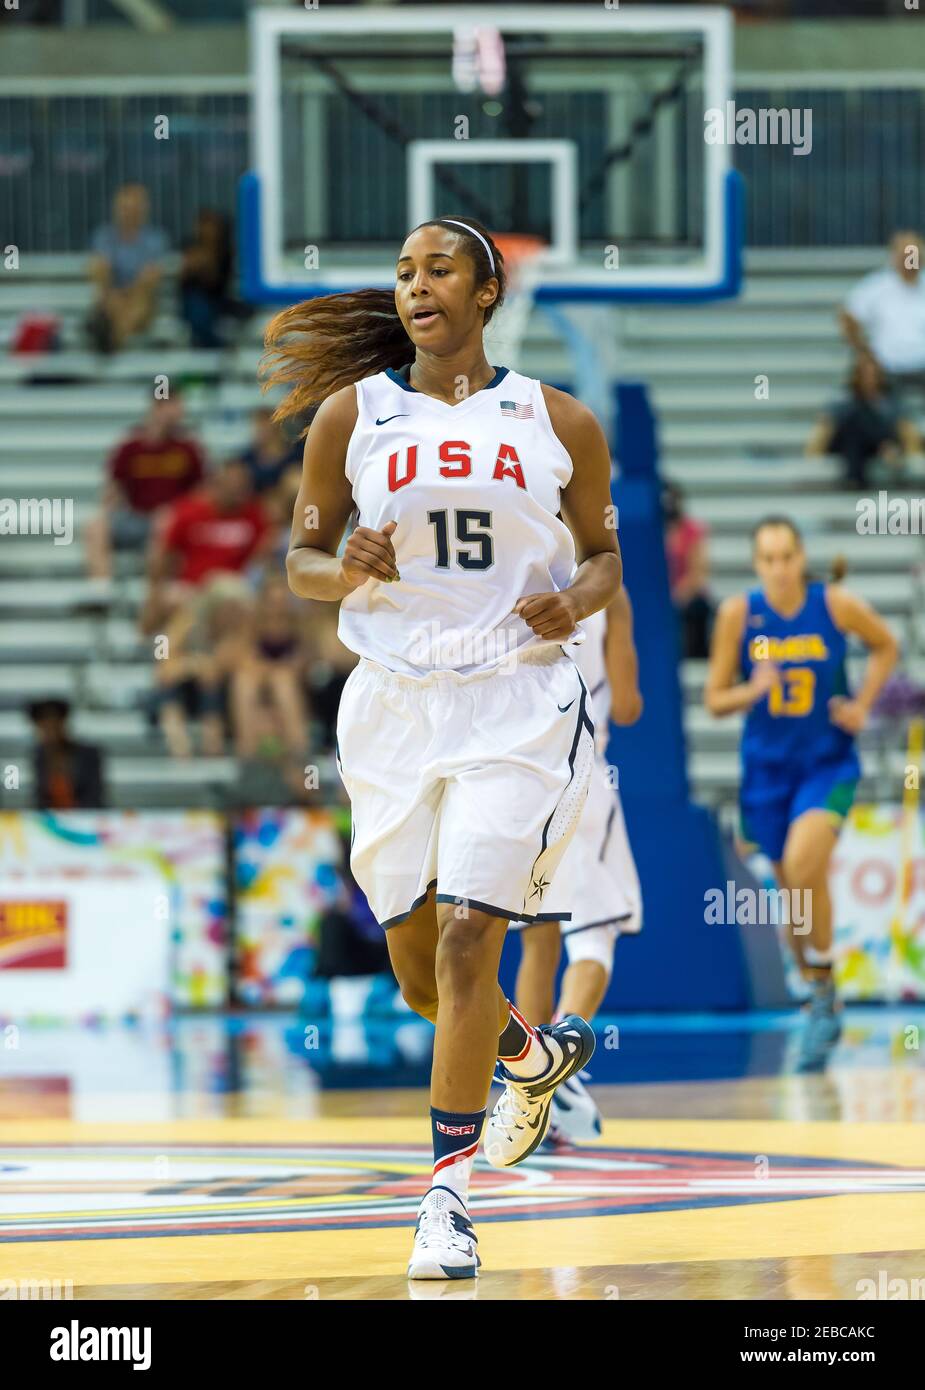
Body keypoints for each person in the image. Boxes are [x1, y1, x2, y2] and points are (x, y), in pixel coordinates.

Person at [264, 215, 621, 1280]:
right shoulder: (351, 415)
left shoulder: (560, 420)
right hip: (391, 707)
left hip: (514, 701)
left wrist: (576, 601)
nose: (417, 285)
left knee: (473, 938)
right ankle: (528, 1052)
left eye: (439, 269)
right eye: (405, 272)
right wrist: (348, 565)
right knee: (421, 975)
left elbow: (603, 558)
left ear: (486, 292)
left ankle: (446, 1199)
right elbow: (300, 563)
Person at [704, 517, 898, 1070]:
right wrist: (752, 689)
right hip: (766, 774)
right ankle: (820, 995)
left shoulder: (833, 605)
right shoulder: (738, 615)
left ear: (800, 556)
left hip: (826, 764)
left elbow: (886, 646)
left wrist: (862, 704)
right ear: (756, 564)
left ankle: (821, 987)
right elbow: (716, 699)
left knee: (802, 859)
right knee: (793, 893)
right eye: (768, 558)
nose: (779, 567)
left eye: (787, 556)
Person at [510, 589, 644, 1146]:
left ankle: (528, 1095)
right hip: (582, 774)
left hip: (518, 781)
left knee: (538, 941)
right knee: (595, 935)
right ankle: (559, 1058)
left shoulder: (514, 576)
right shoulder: (609, 591)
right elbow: (631, 705)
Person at [84, 394, 206, 581]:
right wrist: (107, 509)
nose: (179, 413)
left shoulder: (187, 448)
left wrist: (179, 512)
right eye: (173, 407)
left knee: (163, 524)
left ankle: (154, 592)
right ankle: (101, 593)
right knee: (95, 527)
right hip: (136, 517)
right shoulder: (131, 447)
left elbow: (201, 491)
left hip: (172, 519)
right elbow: (114, 487)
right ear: (157, 408)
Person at [142, 459, 272, 634]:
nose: (237, 491)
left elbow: (263, 556)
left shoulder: (255, 516)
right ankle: (165, 655)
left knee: (238, 601)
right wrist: (156, 592)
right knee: (171, 598)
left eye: (242, 486)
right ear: (217, 484)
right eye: (232, 485)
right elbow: (165, 554)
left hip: (235, 590)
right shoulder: (189, 512)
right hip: (193, 589)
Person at [152, 574, 253, 759]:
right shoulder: (190, 621)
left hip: (231, 697)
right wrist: (194, 664)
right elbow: (164, 661)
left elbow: (225, 665)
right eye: (227, 608)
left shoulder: (245, 629)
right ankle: (178, 742)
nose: (231, 615)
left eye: (235, 609)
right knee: (169, 684)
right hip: (191, 691)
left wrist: (193, 664)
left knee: (210, 680)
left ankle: (212, 741)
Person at [805, 351, 920, 491]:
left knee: (859, 427)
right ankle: (882, 445)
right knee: (854, 424)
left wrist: (912, 452)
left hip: (872, 446)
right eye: (865, 375)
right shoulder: (844, 399)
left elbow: (904, 425)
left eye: (873, 375)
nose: (869, 380)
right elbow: (827, 424)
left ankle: (855, 478)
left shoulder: (891, 401)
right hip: (850, 444)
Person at [840, 230, 925, 397]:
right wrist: (863, 351)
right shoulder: (877, 287)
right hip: (887, 367)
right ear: (894, 257)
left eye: (914, 254)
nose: (910, 260)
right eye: (905, 255)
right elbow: (848, 316)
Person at [86, 185, 168, 354]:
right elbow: (101, 268)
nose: (130, 213)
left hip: (141, 301)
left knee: (144, 289)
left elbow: (150, 275)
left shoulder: (155, 239)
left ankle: (111, 342)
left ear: (143, 210)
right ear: (116, 209)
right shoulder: (104, 236)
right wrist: (116, 295)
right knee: (98, 269)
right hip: (113, 299)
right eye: (125, 208)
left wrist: (126, 296)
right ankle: (117, 338)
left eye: (134, 207)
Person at [178, 210, 242, 350]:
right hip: (193, 299)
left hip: (218, 299)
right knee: (198, 312)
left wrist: (206, 260)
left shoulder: (225, 251)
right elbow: (184, 277)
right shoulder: (189, 245)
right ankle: (216, 347)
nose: (207, 229)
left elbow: (215, 280)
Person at [664, 480, 712, 659]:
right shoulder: (652, 531)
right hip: (662, 594)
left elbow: (698, 573)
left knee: (698, 607)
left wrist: (676, 595)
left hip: (687, 594)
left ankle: (694, 653)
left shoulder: (693, 530)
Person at [27, 699, 105, 809]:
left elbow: (94, 795)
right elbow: (39, 798)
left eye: (54, 726)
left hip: (85, 818)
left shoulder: (88, 754)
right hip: (49, 820)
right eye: (45, 727)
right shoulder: (38, 756)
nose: (50, 732)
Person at [235, 407, 304, 497]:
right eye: (257, 425)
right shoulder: (247, 459)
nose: (259, 429)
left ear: (276, 427)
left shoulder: (295, 455)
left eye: (263, 424)